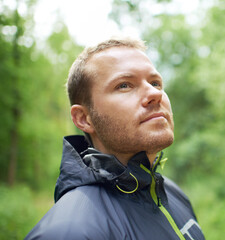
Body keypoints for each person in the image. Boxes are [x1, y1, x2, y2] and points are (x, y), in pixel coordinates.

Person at [25, 37, 205, 240]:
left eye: (155, 82)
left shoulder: (173, 194)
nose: (154, 93)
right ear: (84, 119)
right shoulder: (69, 232)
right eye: (124, 85)